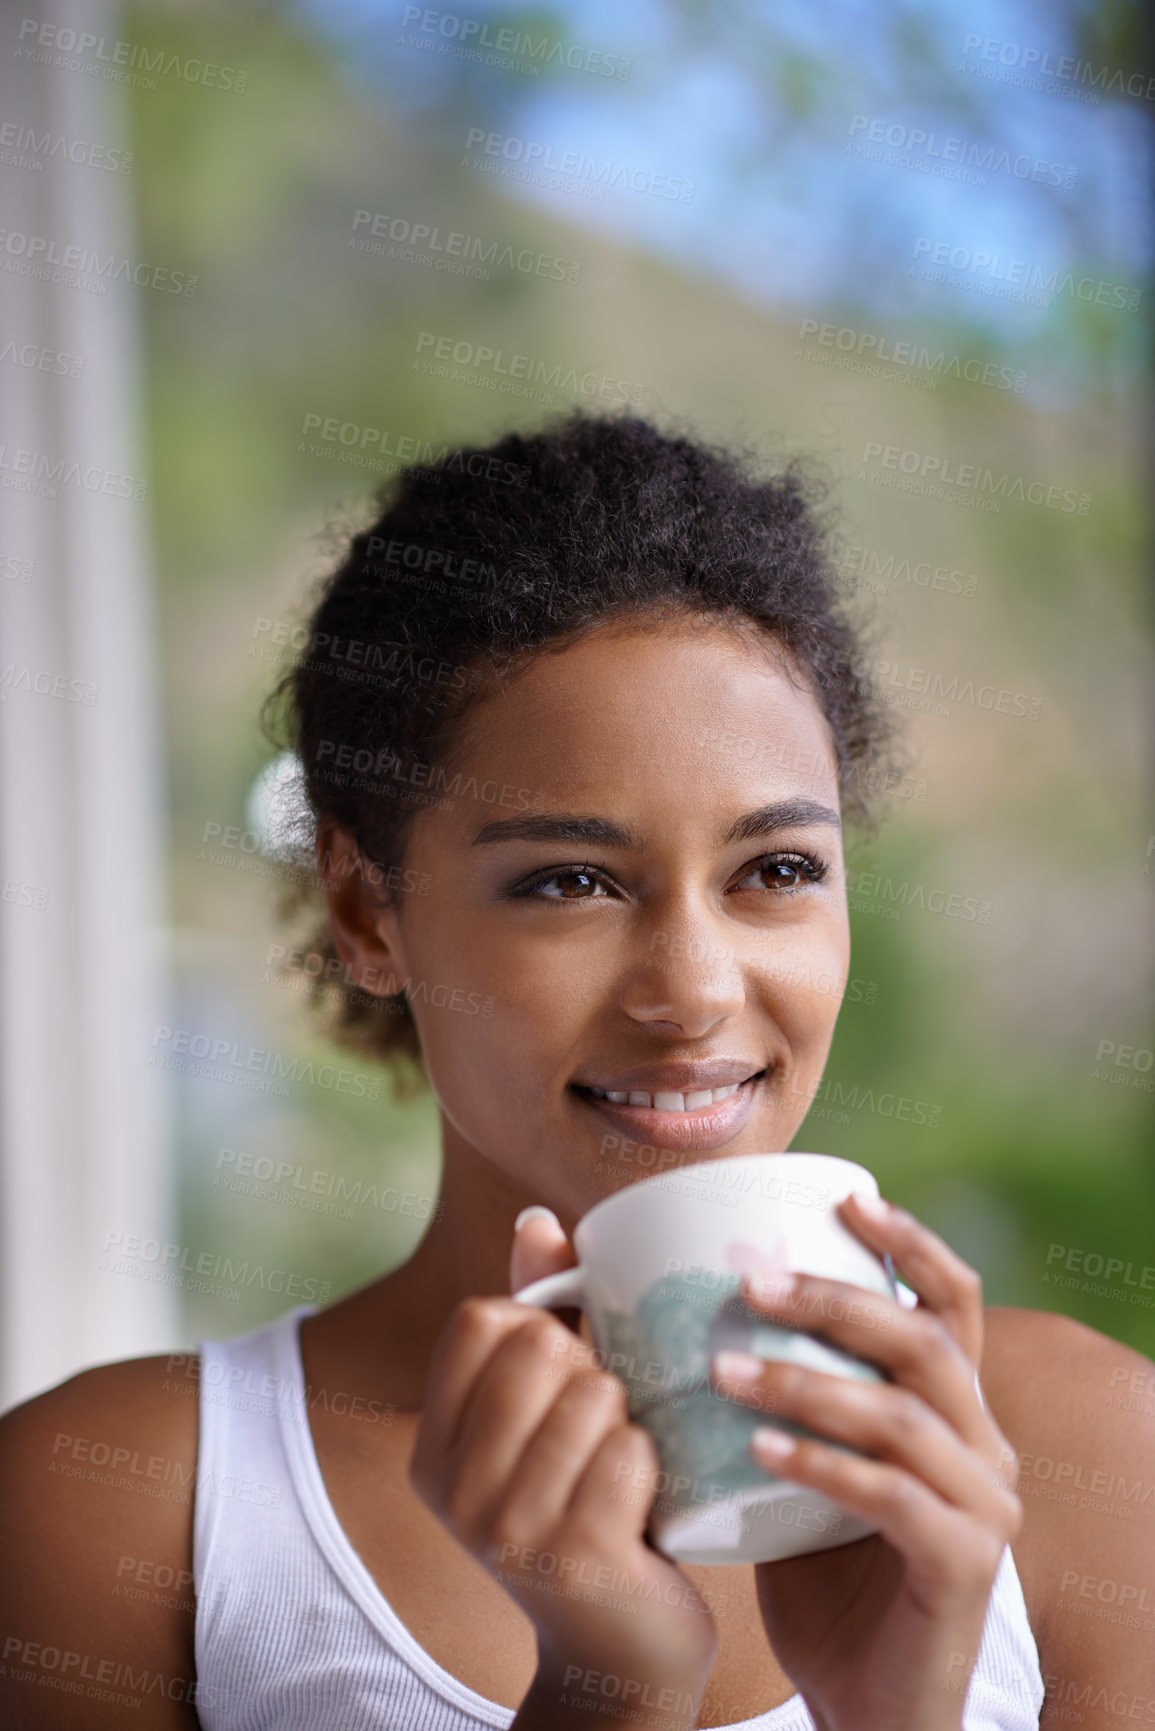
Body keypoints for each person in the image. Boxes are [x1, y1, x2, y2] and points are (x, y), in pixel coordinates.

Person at [1, 412, 1151, 1731]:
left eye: (774, 872)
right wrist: (603, 1706)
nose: (696, 991)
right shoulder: (119, 1503)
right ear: (369, 913)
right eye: (570, 882)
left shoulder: (1090, 1457)